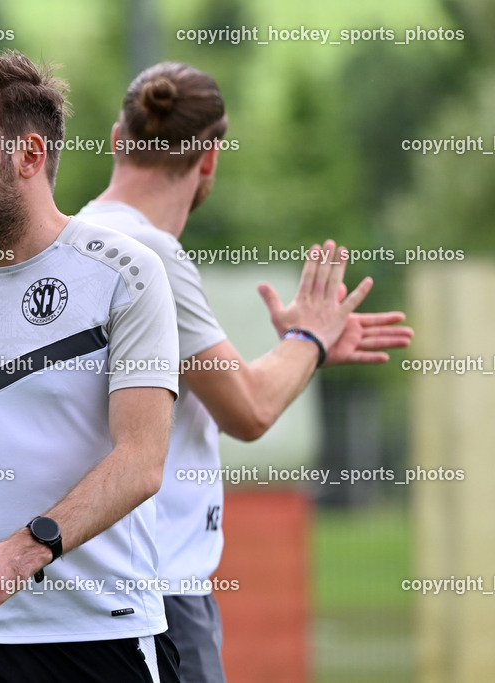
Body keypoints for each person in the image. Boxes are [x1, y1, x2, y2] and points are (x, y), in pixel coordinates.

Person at [77, 61, 414, 682]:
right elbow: (249, 410)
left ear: (119, 139)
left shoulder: (76, 238)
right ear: (209, 158)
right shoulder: (150, 253)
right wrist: (311, 337)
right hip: (163, 593)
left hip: (94, 594)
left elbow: (204, 396)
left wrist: (300, 353)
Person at [0, 48, 184, 681]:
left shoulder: (125, 272)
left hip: (99, 638)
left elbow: (141, 461)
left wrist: (22, 554)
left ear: (29, 154)